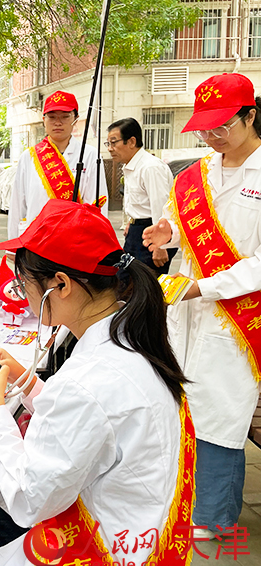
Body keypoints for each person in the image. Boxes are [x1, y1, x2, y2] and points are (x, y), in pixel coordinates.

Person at [0, 199, 193, 566]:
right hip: (143, 542)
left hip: (103, 557)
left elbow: (30, 499)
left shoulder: (87, 380)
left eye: (23, 283)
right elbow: (93, 427)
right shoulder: (134, 341)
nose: (22, 294)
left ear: (60, 284)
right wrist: (25, 382)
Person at [143, 72, 261, 539]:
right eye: (205, 129)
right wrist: (165, 235)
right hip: (185, 309)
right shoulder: (194, 175)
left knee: (221, 411)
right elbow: (177, 223)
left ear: (250, 116)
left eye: (222, 128)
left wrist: (206, 287)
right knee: (180, 403)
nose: (212, 138)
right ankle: (177, 496)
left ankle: (213, 516)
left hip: (239, 317)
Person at [8, 91, 108, 239]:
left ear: (75, 119)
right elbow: (18, 203)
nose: (58, 122)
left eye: (65, 116)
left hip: (74, 240)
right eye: (52, 117)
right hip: (35, 239)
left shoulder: (90, 155)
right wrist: (13, 245)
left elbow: (98, 204)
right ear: (43, 119)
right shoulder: (29, 157)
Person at [106, 117, 177, 274]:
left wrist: (160, 246)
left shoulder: (150, 167)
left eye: (114, 142)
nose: (110, 148)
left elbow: (162, 207)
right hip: (137, 231)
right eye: (108, 144)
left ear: (131, 142)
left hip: (153, 234)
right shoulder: (132, 166)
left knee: (144, 286)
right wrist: (131, 222)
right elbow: (140, 202)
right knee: (125, 281)